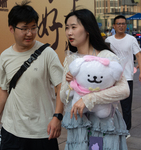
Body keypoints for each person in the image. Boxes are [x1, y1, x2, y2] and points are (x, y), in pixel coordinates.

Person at [0, 1, 64, 150]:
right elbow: (4, 89)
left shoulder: (47, 53)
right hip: (11, 129)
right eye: (24, 29)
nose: (30, 33)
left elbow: (62, 85)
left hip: (42, 131)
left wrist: (57, 117)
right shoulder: (5, 56)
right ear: (11, 28)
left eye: (33, 28)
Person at [60, 9, 130, 150]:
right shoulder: (71, 60)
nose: (69, 32)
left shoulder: (106, 57)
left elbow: (124, 90)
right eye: (67, 28)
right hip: (78, 125)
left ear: (87, 29)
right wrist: (71, 84)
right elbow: (63, 97)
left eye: (73, 27)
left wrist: (88, 99)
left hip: (103, 125)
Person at [105, 15, 141, 135]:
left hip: (127, 78)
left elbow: (138, 55)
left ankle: (126, 130)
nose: (121, 26)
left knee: (126, 106)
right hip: (111, 78)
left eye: (123, 24)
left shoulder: (131, 39)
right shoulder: (108, 41)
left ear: (126, 25)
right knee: (109, 105)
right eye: (118, 24)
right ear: (114, 26)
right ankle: (110, 127)